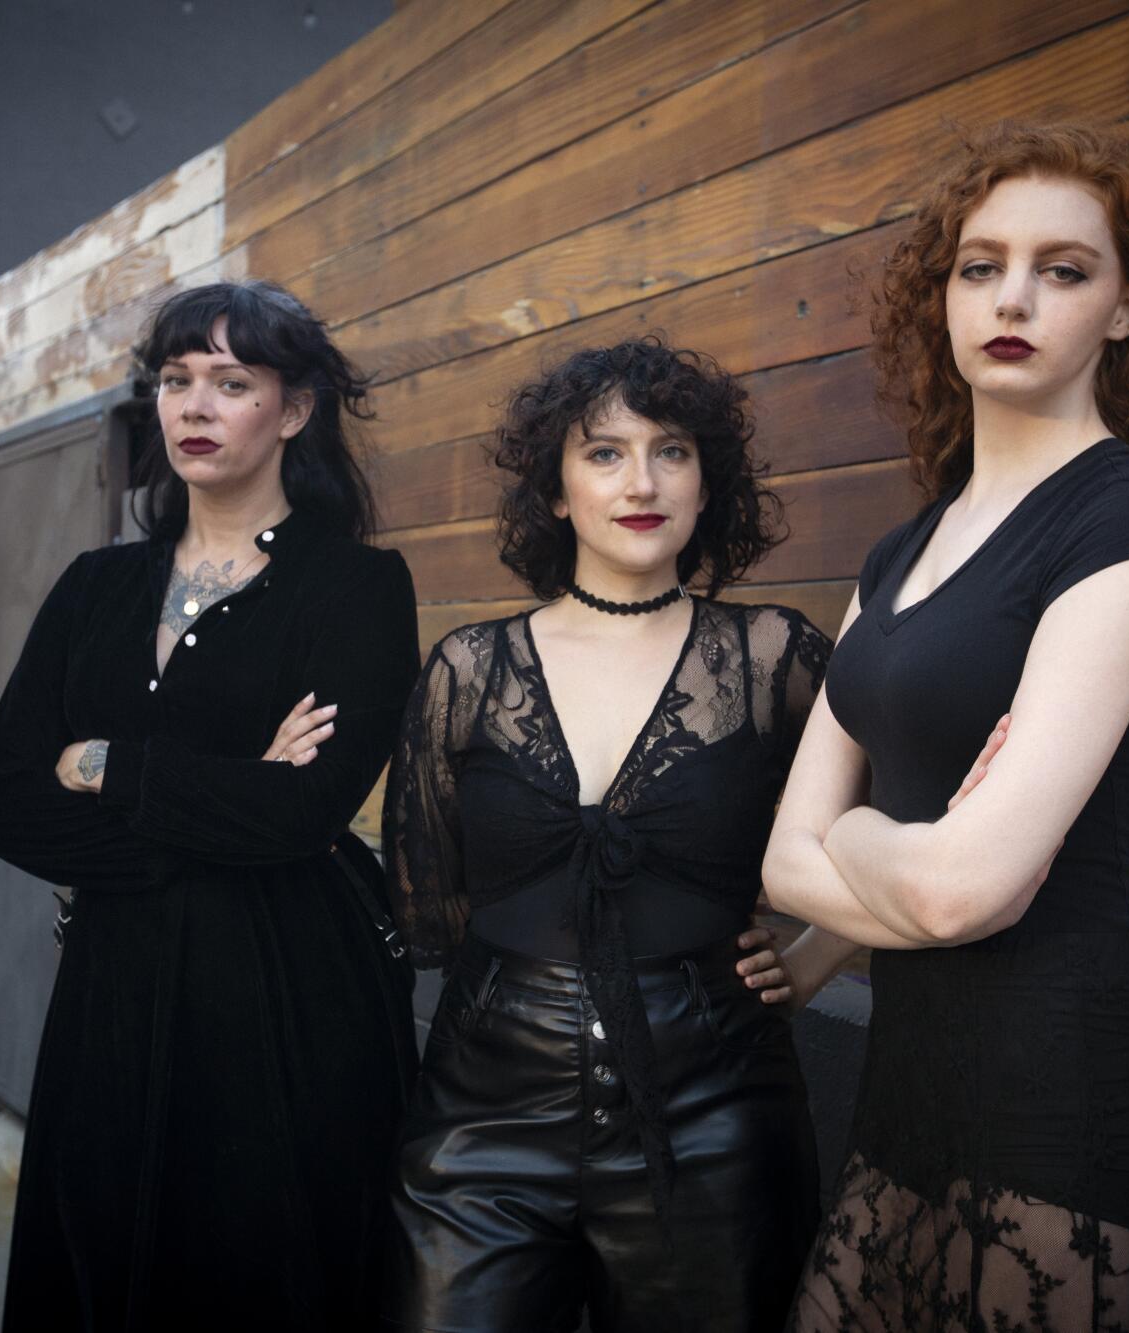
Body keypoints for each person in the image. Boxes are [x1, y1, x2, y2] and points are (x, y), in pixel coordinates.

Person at [763, 122, 1129, 1330]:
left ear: (1126, 310)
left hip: (1070, 1125)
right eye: (978, 267)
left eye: (1062, 269)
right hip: (905, 1109)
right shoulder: (899, 551)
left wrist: (867, 838)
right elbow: (781, 857)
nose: (1011, 297)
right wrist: (919, 854)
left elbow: (950, 899)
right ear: (940, 300)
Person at [0, 280, 424, 1329]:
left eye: (231, 383)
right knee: (102, 1258)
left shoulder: (354, 588)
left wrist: (100, 763)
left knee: (260, 1272)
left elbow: (300, 815)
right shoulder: (94, 585)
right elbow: (6, 806)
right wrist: (227, 798)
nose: (193, 406)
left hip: (284, 991)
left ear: (295, 409)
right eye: (175, 381)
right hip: (113, 991)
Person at [383, 337, 832, 1332]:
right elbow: (428, 900)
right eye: (603, 453)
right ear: (553, 489)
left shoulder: (775, 657)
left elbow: (887, 815)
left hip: (714, 1105)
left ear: (706, 479)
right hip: (484, 1104)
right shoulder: (467, 670)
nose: (640, 480)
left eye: (670, 451)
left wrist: (818, 954)